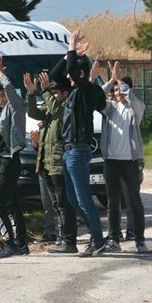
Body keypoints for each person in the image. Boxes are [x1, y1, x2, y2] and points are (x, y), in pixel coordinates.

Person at [49, 30, 107, 257]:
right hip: (68, 151)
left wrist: (72, 44)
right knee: (73, 198)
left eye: (73, 74)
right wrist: (67, 55)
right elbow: (55, 73)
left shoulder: (88, 90)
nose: (68, 77)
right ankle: (96, 237)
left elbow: (72, 71)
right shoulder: (73, 91)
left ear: (81, 74)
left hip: (78, 151)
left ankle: (97, 239)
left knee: (83, 197)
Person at [25, 71, 78, 254]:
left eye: (56, 93)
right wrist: (32, 94)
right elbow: (33, 113)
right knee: (55, 204)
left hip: (59, 164)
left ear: (65, 94)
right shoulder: (51, 109)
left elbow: (56, 111)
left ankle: (70, 241)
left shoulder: (66, 109)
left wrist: (46, 90)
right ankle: (61, 238)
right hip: (46, 164)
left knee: (64, 204)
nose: (53, 95)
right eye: (52, 92)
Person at [0, 56, 29, 259]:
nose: (0, 100)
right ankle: (21, 243)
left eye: (2, 97)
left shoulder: (14, 108)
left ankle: (9, 243)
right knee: (11, 203)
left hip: (10, 159)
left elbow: (10, 91)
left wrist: (2, 74)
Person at [99, 62, 149, 254]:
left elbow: (134, 101)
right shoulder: (109, 107)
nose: (118, 92)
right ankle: (114, 239)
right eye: (116, 89)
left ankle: (139, 239)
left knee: (134, 202)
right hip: (111, 162)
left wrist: (120, 79)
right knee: (113, 204)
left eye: (122, 89)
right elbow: (96, 98)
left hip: (130, 162)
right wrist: (111, 80)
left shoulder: (135, 109)